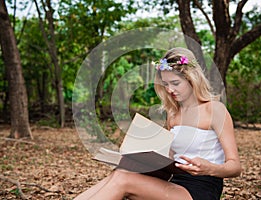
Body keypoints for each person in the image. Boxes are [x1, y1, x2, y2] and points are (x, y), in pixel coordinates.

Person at [75, 47, 242, 200]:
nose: (169, 90)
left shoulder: (215, 110)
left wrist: (209, 168)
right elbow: (170, 160)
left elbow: (235, 167)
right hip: (173, 183)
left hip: (201, 189)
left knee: (123, 180)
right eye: (166, 84)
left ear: (192, 79)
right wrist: (141, 159)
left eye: (175, 83)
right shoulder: (174, 114)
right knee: (120, 172)